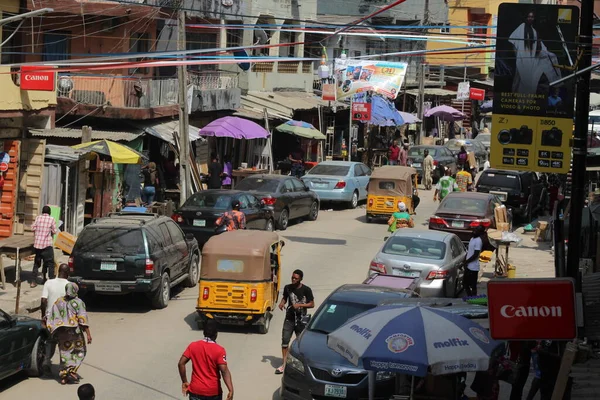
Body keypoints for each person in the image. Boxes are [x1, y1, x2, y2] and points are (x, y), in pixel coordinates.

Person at [46, 282, 92, 385]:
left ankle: (64, 376)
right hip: (75, 333)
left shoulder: (58, 301)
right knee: (80, 351)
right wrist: (88, 334)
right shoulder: (78, 302)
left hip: (62, 333)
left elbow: (51, 315)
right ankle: (71, 370)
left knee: (64, 354)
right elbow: (82, 319)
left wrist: (54, 329)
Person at [178, 319, 234, 400]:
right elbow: (224, 371)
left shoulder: (193, 346)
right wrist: (230, 389)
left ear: (204, 332)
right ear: (216, 334)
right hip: (213, 393)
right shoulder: (219, 350)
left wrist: (184, 381)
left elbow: (181, 363)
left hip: (195, 391)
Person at [509, 10, 560, 95]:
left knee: (551, 57)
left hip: (531, 59)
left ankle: (556, 85)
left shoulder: (534, 31)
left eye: (532, 17)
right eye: (529, 16)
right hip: (521, 58)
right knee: (520, 79)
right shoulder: (521, 27)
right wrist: (517, 55)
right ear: (526, 18)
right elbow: (513, 42)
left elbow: (538, 47)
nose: (530, 18)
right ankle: (516, 98)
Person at [275, 269, 314, 374]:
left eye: (296, 278)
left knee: (300, 344)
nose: (293, 279)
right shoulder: (288, 288)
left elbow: (312, 304)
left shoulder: (306, 290)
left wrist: (300, 305)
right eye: (292, 277)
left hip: (301, 320)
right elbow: (285, 297)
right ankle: (284, 364)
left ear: (300, 279)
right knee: (285, 341)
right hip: (289, 318)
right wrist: (282, 303)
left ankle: (300, 366)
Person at [40, 263, 70, 375]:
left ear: (58, 272)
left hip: (50, 319)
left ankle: (46, 361)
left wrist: (44, 316)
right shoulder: (69, 285)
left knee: (50, 341)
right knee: (63, 343)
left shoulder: (49, 282)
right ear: (67, 273)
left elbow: (43, 301)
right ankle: (63, 368)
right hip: (64, 321)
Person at [31, 205, 58, 287]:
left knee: (36, 263)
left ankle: (33, 282)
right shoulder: (51, 219)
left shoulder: (38, 218)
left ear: (42, 212)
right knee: (50, 263)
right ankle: (51, 282)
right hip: (47, 245)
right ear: (49, 212)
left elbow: (32, 228)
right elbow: (54, 231)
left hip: (38, 245)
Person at [463, 225, 485, 296]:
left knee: (473, 285)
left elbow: (476, 255)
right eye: (475, 229)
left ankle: (473, 298)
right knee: (465, 284)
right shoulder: (472, 239)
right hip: (468, 265)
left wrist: (467, 261)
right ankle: (470, 297)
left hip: (473, 267)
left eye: (477, 230)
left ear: (480, 233)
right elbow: (469, 251)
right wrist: (465, 260)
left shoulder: (478, 241)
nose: (474, 230)